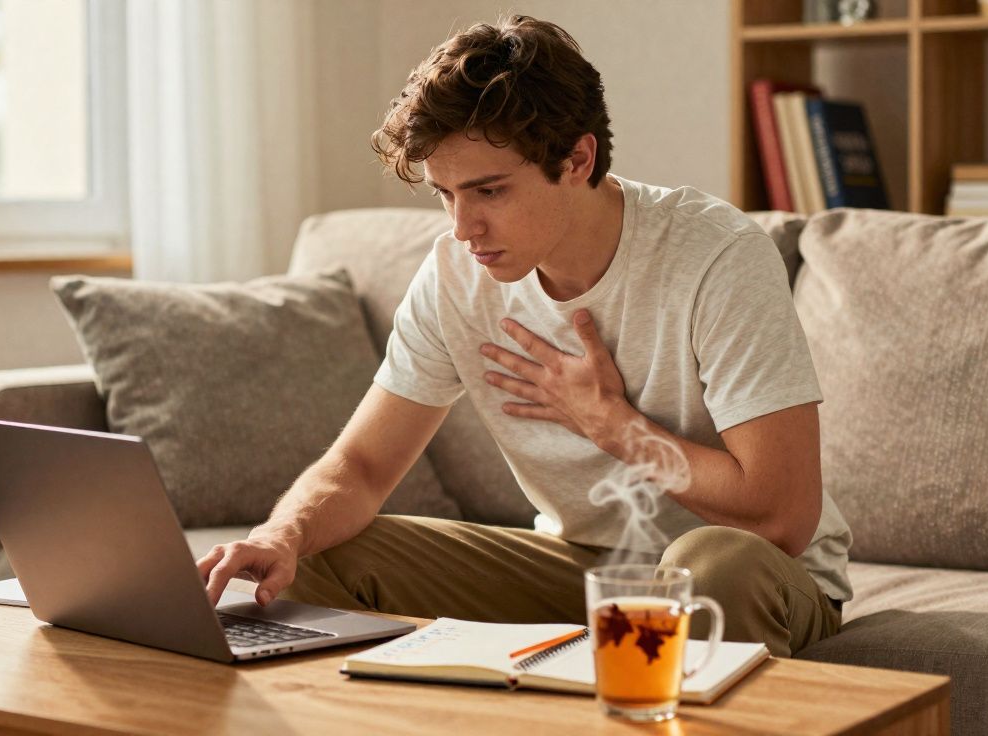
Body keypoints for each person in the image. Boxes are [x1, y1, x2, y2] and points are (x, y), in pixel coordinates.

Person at [197, 14, 851, 657]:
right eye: (445, 195)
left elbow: (783, 517)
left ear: (578, 158)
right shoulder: (457, 275)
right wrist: (283, 533)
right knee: (322, 552)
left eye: (488, 191)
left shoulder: (714, 255)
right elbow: (362, 469)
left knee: (713, 564)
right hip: (580, 570)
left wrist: (615, 427)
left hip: (749, 576)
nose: (462, 226)